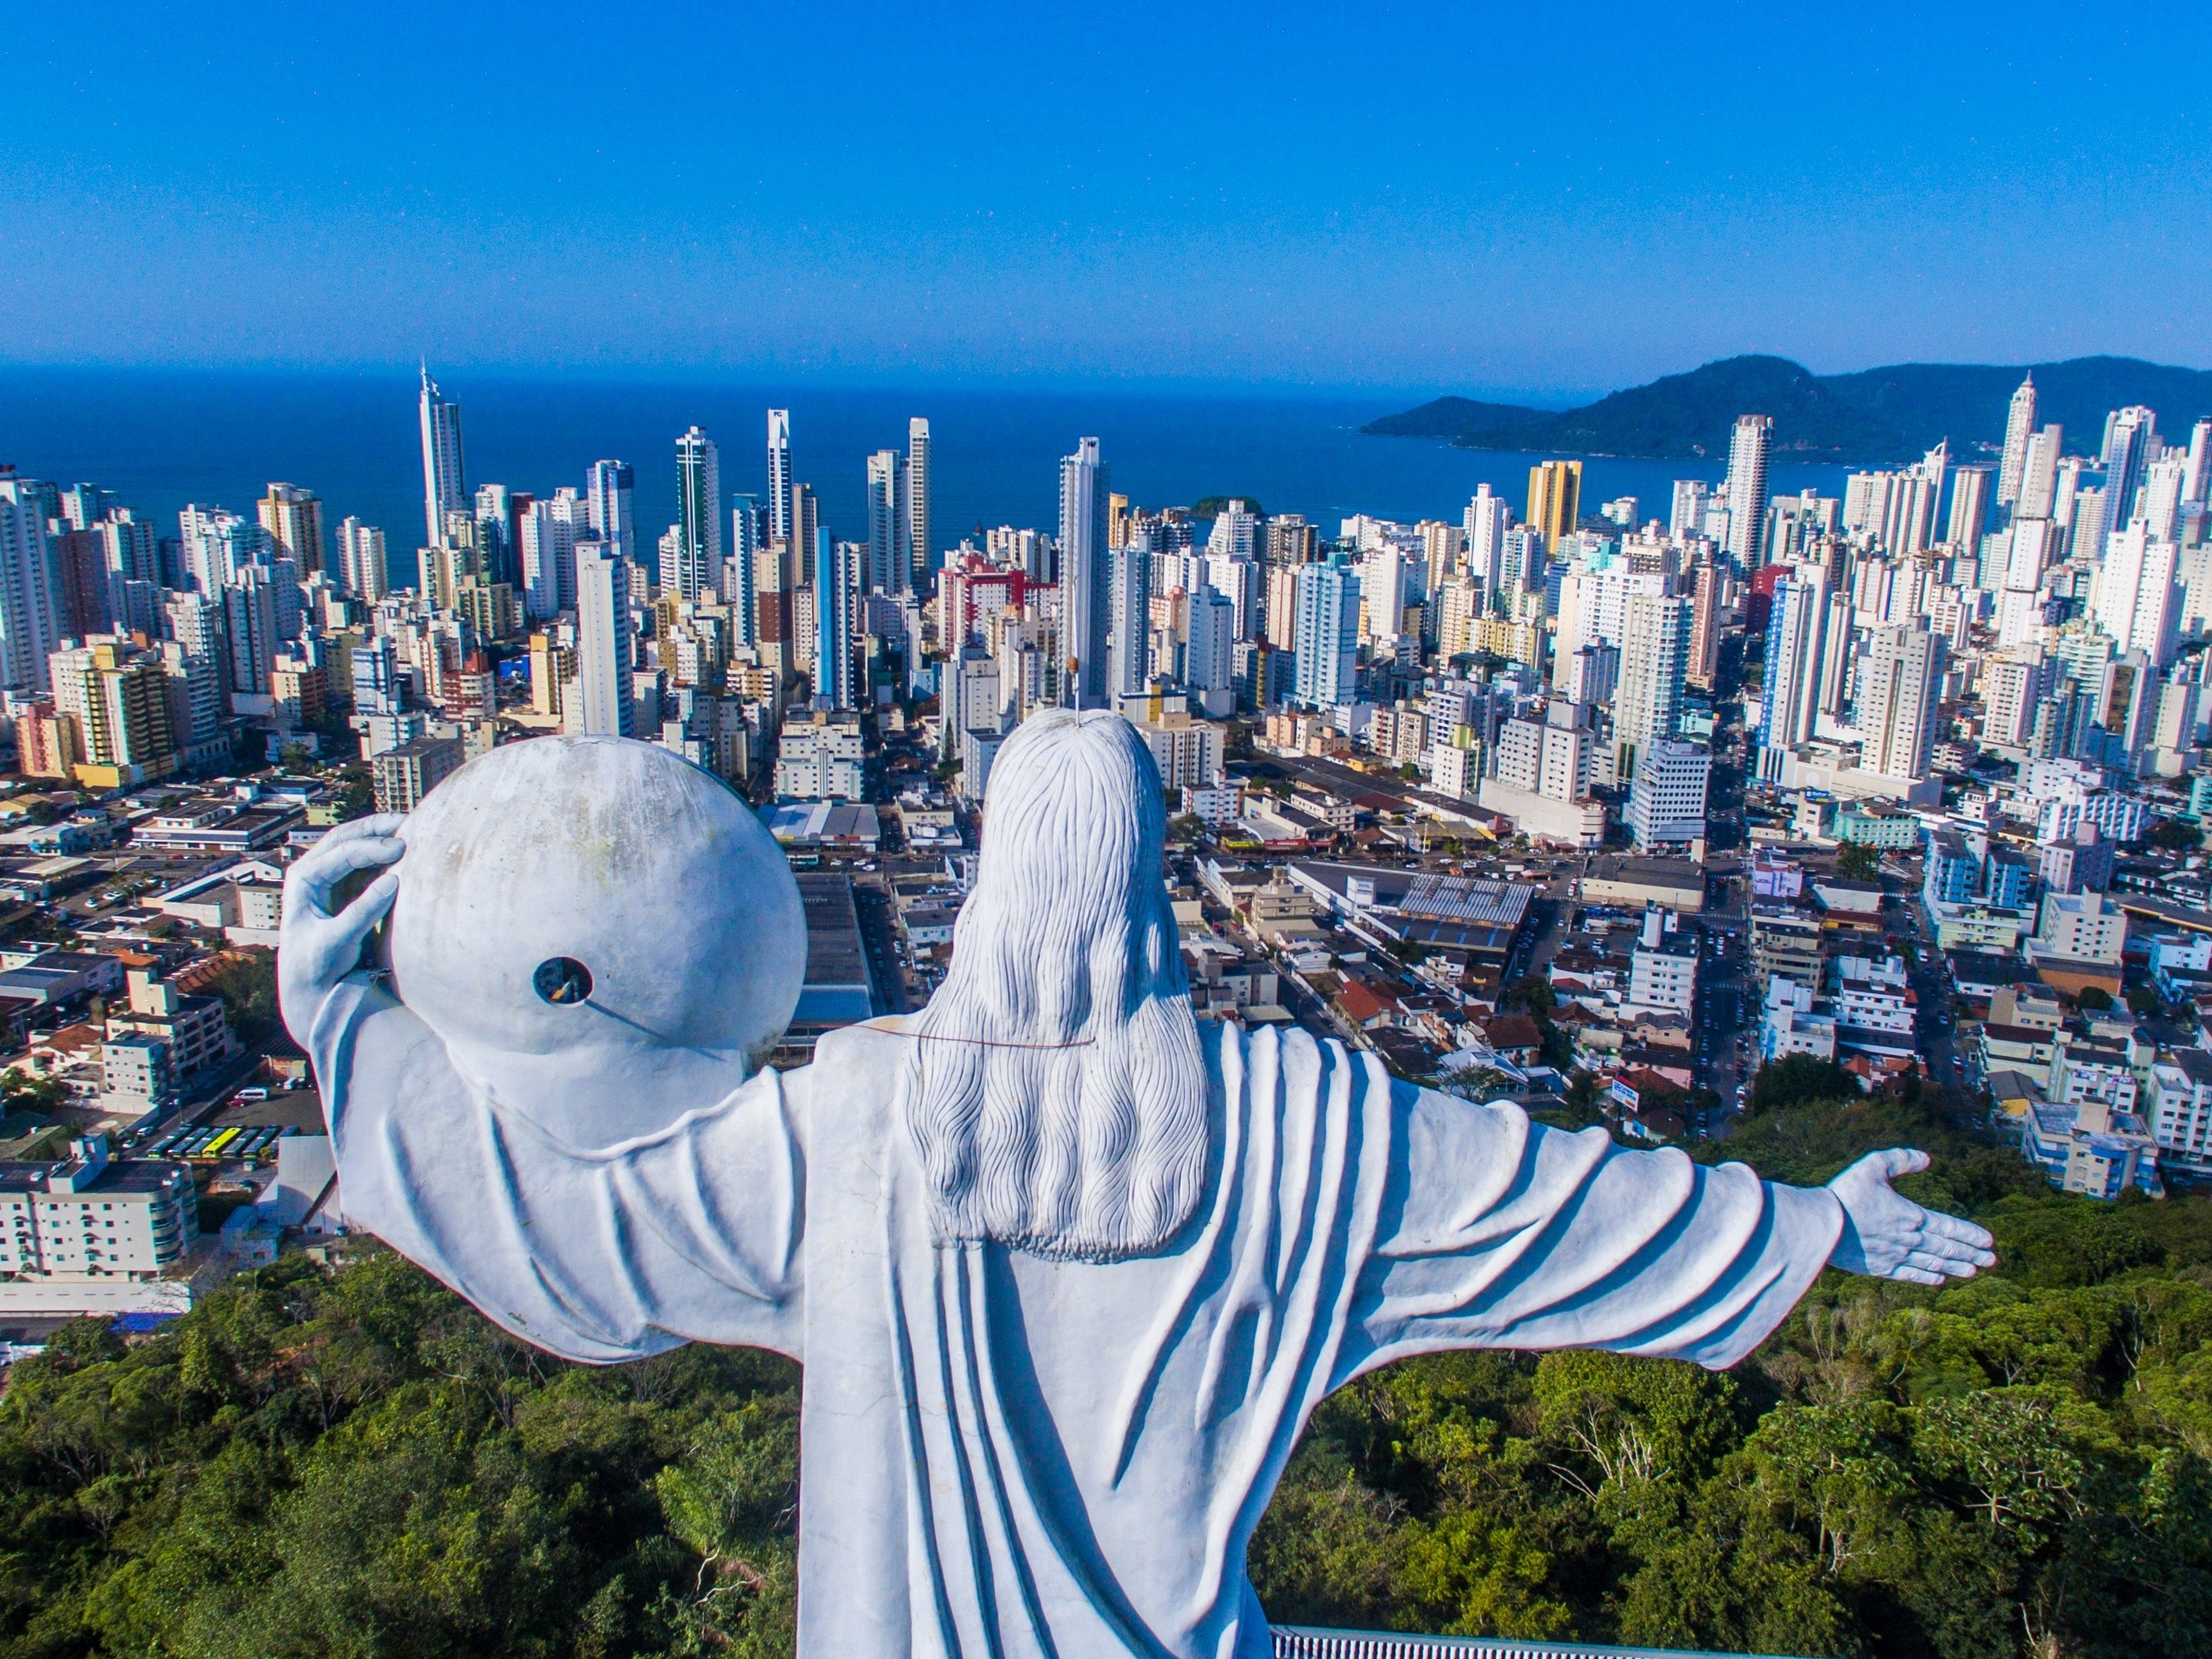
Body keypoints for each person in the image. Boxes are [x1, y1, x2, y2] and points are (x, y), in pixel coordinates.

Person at [283, 712, 1992, 1659]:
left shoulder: (850, 1121)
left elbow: (585, 1223)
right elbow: (1564, 1207)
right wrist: (1808, 1220)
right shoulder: (1299, 1125)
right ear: (1147, 887)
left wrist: (339, 1019)